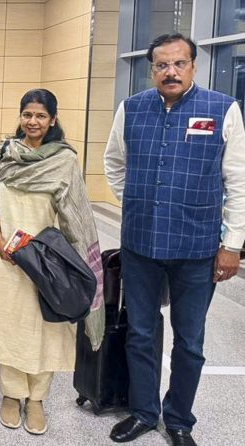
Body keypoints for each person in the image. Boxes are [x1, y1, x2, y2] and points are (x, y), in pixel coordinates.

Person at [104, 33, 245, 446]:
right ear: (152, 70)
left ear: (193, 66)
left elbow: (238, 182)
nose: (171, 71)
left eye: (179, 63)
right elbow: (114, 163)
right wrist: (138, 201)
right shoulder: (131, 108)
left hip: (198, 248)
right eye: (162, 65)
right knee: (140, 333)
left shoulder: (222, 109)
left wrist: (232, 245)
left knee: (190, 341)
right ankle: (144, 412)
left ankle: (180, 420)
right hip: (141, 244)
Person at [0, 89, 104, 434]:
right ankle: (11, 394)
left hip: (48, 259)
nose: (33, 121)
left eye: (41, 115)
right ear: (20, 117)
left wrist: (70, 261)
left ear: (53, 120)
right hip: (7, 258)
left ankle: (38, 398)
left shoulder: (64, 161)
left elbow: (75, 215)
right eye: (27, 114)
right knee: (9, 325)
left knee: (47, 327)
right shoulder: (4, 155)